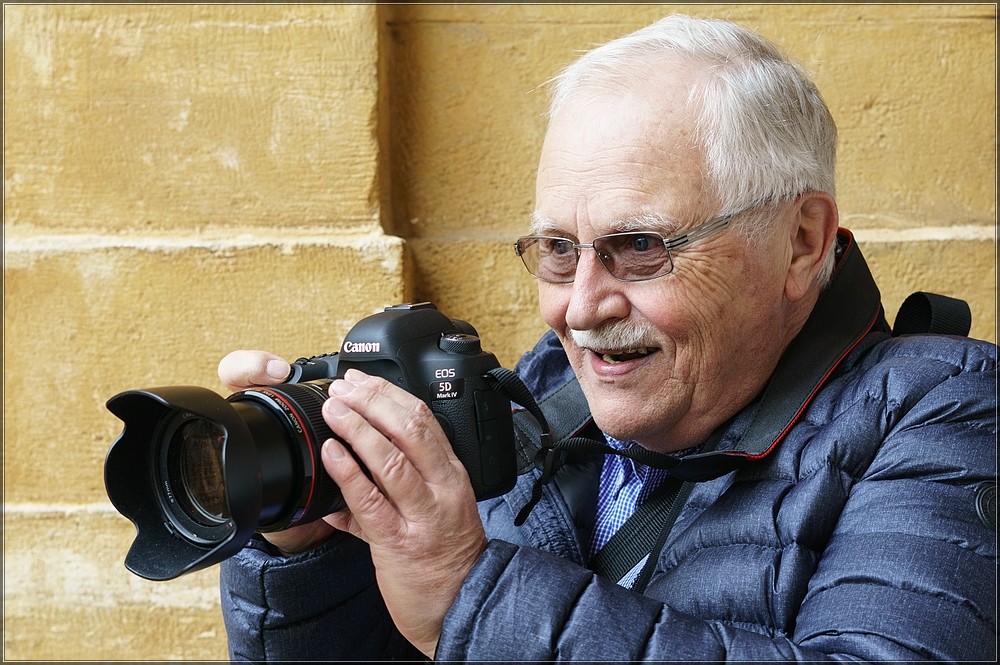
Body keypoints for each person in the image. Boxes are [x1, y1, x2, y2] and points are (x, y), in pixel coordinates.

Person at [217, 14, 997, 662]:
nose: (581, 309)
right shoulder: (539, 391)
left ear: (799, 241)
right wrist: (309, 555)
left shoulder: (950, 410)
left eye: (640, 246)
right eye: (559, 250)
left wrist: (469, 593)